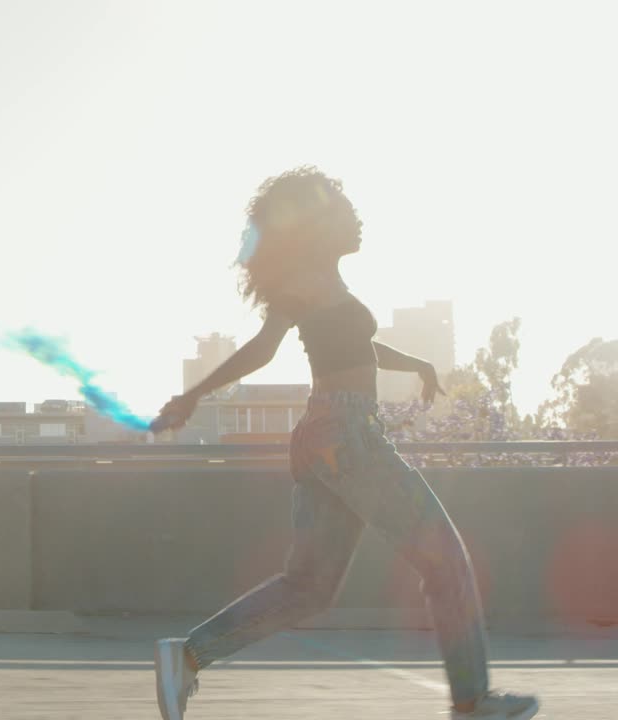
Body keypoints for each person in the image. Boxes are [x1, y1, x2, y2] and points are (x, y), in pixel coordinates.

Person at [148, 167, 539, 720]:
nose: (357, 218)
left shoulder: (327, 285)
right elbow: (263, 349)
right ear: (318, 225)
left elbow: (356, 345)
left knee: (308, 587)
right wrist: (194, 396)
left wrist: (418, 364)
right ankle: (473, 702)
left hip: (327, 439)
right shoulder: (304, 281)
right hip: (347, 435)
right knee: (445, 559)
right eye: (344, 209)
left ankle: (188, 655)